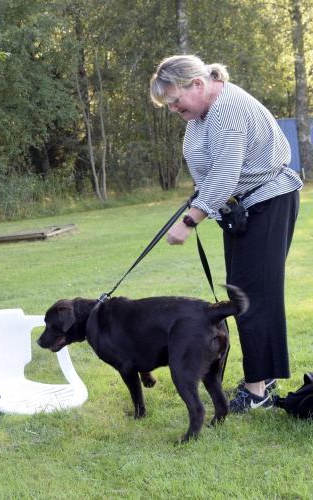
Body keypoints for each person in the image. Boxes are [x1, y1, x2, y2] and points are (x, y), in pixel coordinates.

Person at [150, 55, 302, 413]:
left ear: (197, 85)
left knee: (251, 297)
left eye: (175, 101)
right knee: (245, 292)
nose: (174, 109)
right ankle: (262, 379)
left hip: (268, 202)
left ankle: (256, 393)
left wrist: (190, 220)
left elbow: (227, 173)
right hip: (243, 209)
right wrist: (204, 198)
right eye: (169, 105)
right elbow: (211, 169)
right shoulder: (202, 114)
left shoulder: (227, 110)